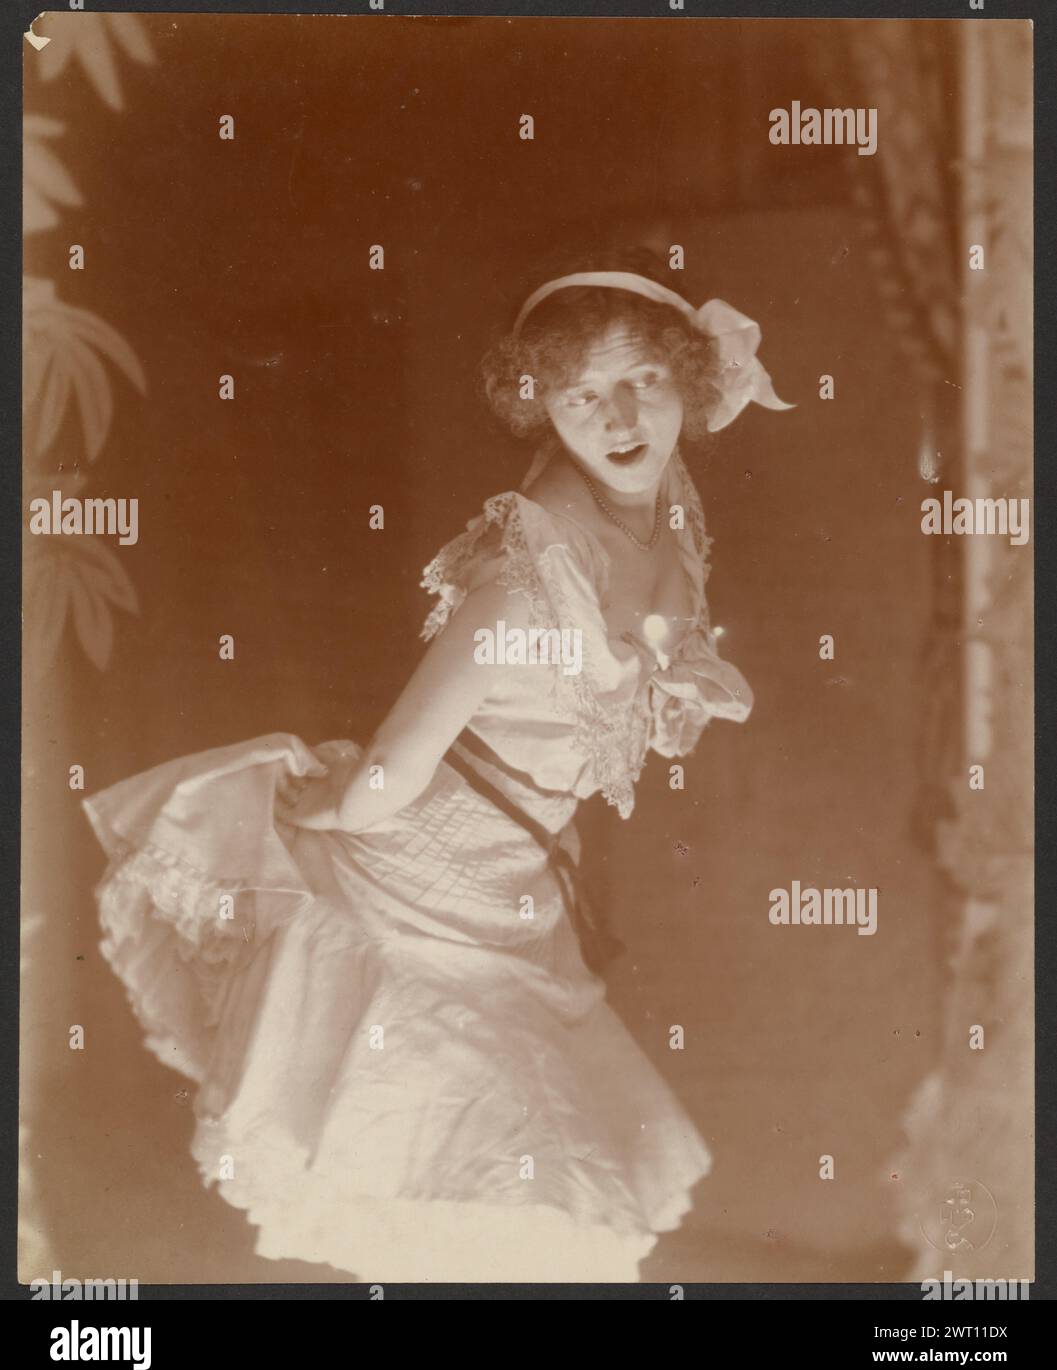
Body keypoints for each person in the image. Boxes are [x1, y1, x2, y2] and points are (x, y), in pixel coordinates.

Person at [82, 249, 792, 1282]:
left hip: (517, 902)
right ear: (540, 405)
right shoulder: (519, 578)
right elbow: (394, 769)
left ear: (687, 375)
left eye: (641, 377)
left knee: (518, 1195)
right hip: (413, 894)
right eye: (580, 392)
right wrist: (331, 813)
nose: (619, 416)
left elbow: (640, 655)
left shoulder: (661, 512)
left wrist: (674, 679)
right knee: (479, 1189)